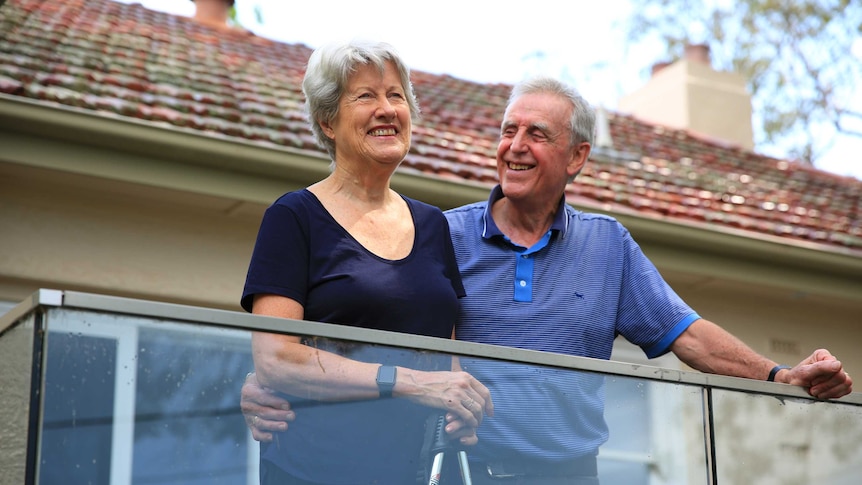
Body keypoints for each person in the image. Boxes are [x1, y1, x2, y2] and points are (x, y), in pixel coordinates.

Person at [242, 76, 853, 484]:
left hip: (569, 473)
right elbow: (367, 323)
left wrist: (780, 376)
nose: (515, 145)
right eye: (508, 131)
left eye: (537, 134)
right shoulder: (438, 233)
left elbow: (687, 333)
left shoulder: (607, 244)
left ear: (577, 158)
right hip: (460, 468)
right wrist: (269, 378)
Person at [240, 40, 492, 485]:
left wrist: (464, 406)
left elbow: (446, 363)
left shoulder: (433, 225)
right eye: (365, 96)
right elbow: (275, 359)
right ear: (327, 122)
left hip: (421, 471)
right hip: (318, 471)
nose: (387, 109)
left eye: (396, 95)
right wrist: (410, 382)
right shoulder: (294, 217)